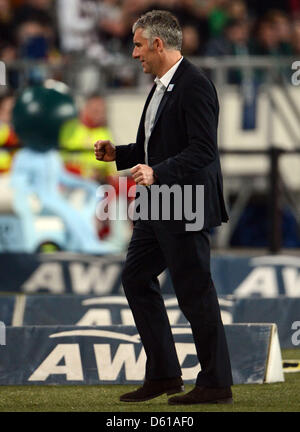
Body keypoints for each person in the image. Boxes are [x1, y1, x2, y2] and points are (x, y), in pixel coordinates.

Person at [94, 9, 233, 405]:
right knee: (136, 279)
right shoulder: (160, 85)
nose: (134, 53)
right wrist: (118, 154)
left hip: (184, 203)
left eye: (138, 44)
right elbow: (157, 146)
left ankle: (216, 383)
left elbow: (203, 150)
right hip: (158, 204)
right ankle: (164, 374)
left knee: (194, 293)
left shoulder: (195, 85)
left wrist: (158, 172)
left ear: (158, 44)